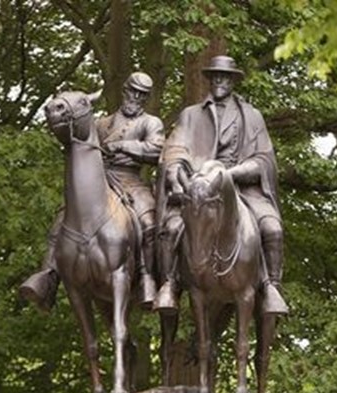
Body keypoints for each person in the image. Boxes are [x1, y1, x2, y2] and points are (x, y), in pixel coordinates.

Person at [155, 55, 288, 316]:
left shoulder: (251, 116)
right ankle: (169, 284)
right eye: (215, 76)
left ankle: (272, 287)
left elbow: (264, 160)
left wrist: (231, 174)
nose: (219, 80)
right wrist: (175, 173)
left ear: (233, 81)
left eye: (225, 76)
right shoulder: (191, 115)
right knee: (171, 229)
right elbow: (174, 150)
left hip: (241, 189)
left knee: (272, 228)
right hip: (198, 189)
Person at [20, 72, 165, 310]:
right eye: (132, 91)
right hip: (100, 179)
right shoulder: (102, 123)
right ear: (124, 90)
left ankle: (147, 279)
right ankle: (47, 278)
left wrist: (122, 146)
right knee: (61, 221)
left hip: (131, 182)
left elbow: (155, 150)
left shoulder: (150, 123)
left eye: (142, 95)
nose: (136, 97)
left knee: (149, 224)